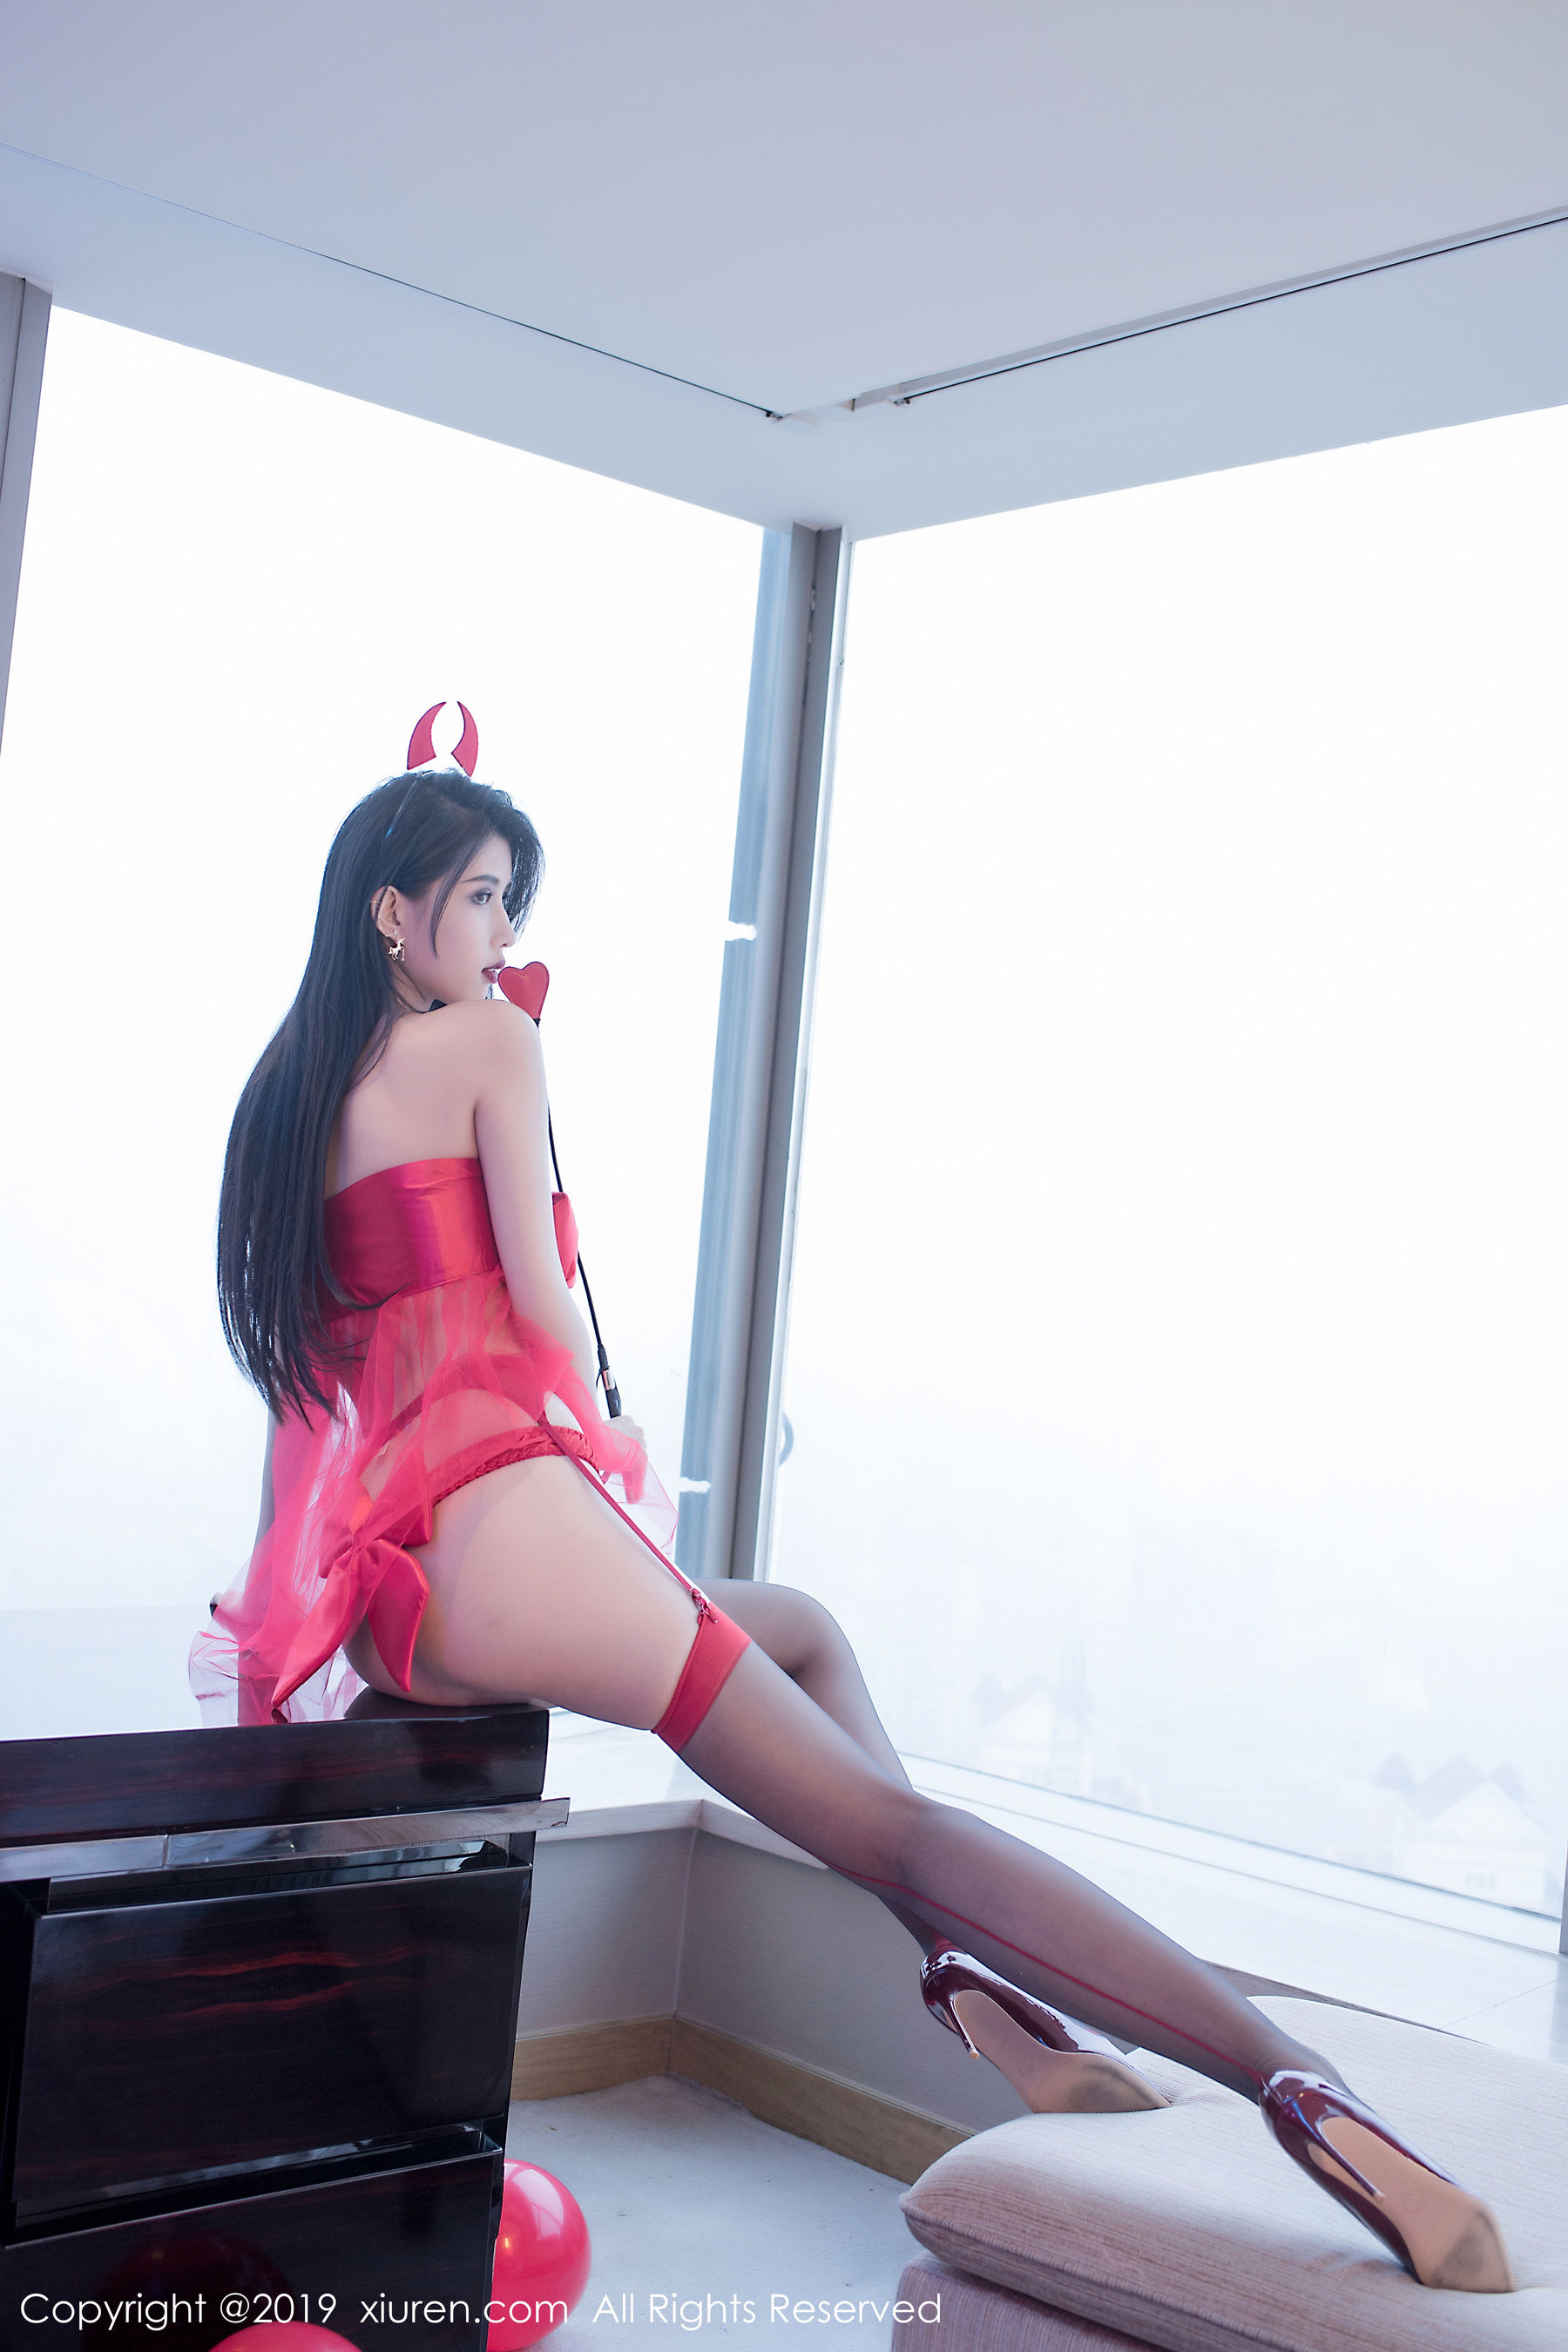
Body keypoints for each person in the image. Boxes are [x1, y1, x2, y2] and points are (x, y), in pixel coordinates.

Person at [199, 762, 1512, 2296]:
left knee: (806, 1630)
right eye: (483, 898)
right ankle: (1312, 2094)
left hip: (399, 1594)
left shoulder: (294, 1087)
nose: (503, 937)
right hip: (505, 1521)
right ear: (393, 910)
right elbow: (546, 1317)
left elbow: (311, 1400)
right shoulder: (490, 1038)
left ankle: (968, 1981)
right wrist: (597, 1387)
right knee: (897, 1831)